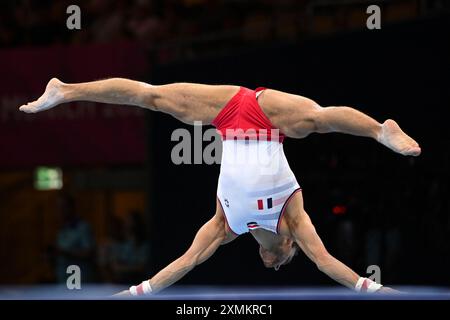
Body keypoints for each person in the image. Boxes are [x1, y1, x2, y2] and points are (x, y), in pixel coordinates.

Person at [20, 78, 420, 296]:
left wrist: (135, 294)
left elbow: (185, 262)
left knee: (154, 99)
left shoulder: (226, 225)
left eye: (270, 267)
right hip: (266, 114)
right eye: (280, 263)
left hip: (227, 118)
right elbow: (327, 262)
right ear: (287, 249)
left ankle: (65, 91)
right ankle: (380, 130)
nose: (272, 264)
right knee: (313, 121)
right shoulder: (295, 221)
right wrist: (376, 290)